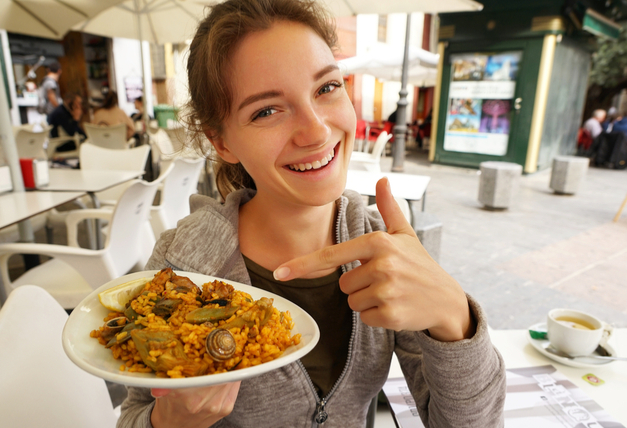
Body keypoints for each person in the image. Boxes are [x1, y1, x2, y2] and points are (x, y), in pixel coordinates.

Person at [117, 1, 506, 427]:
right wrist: (170, 421)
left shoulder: (382, 249)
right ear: (221, 142)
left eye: (327, 88)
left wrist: (454, 315)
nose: (317, 130)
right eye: (266, 110)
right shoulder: (182, 266)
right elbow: (134, 413)